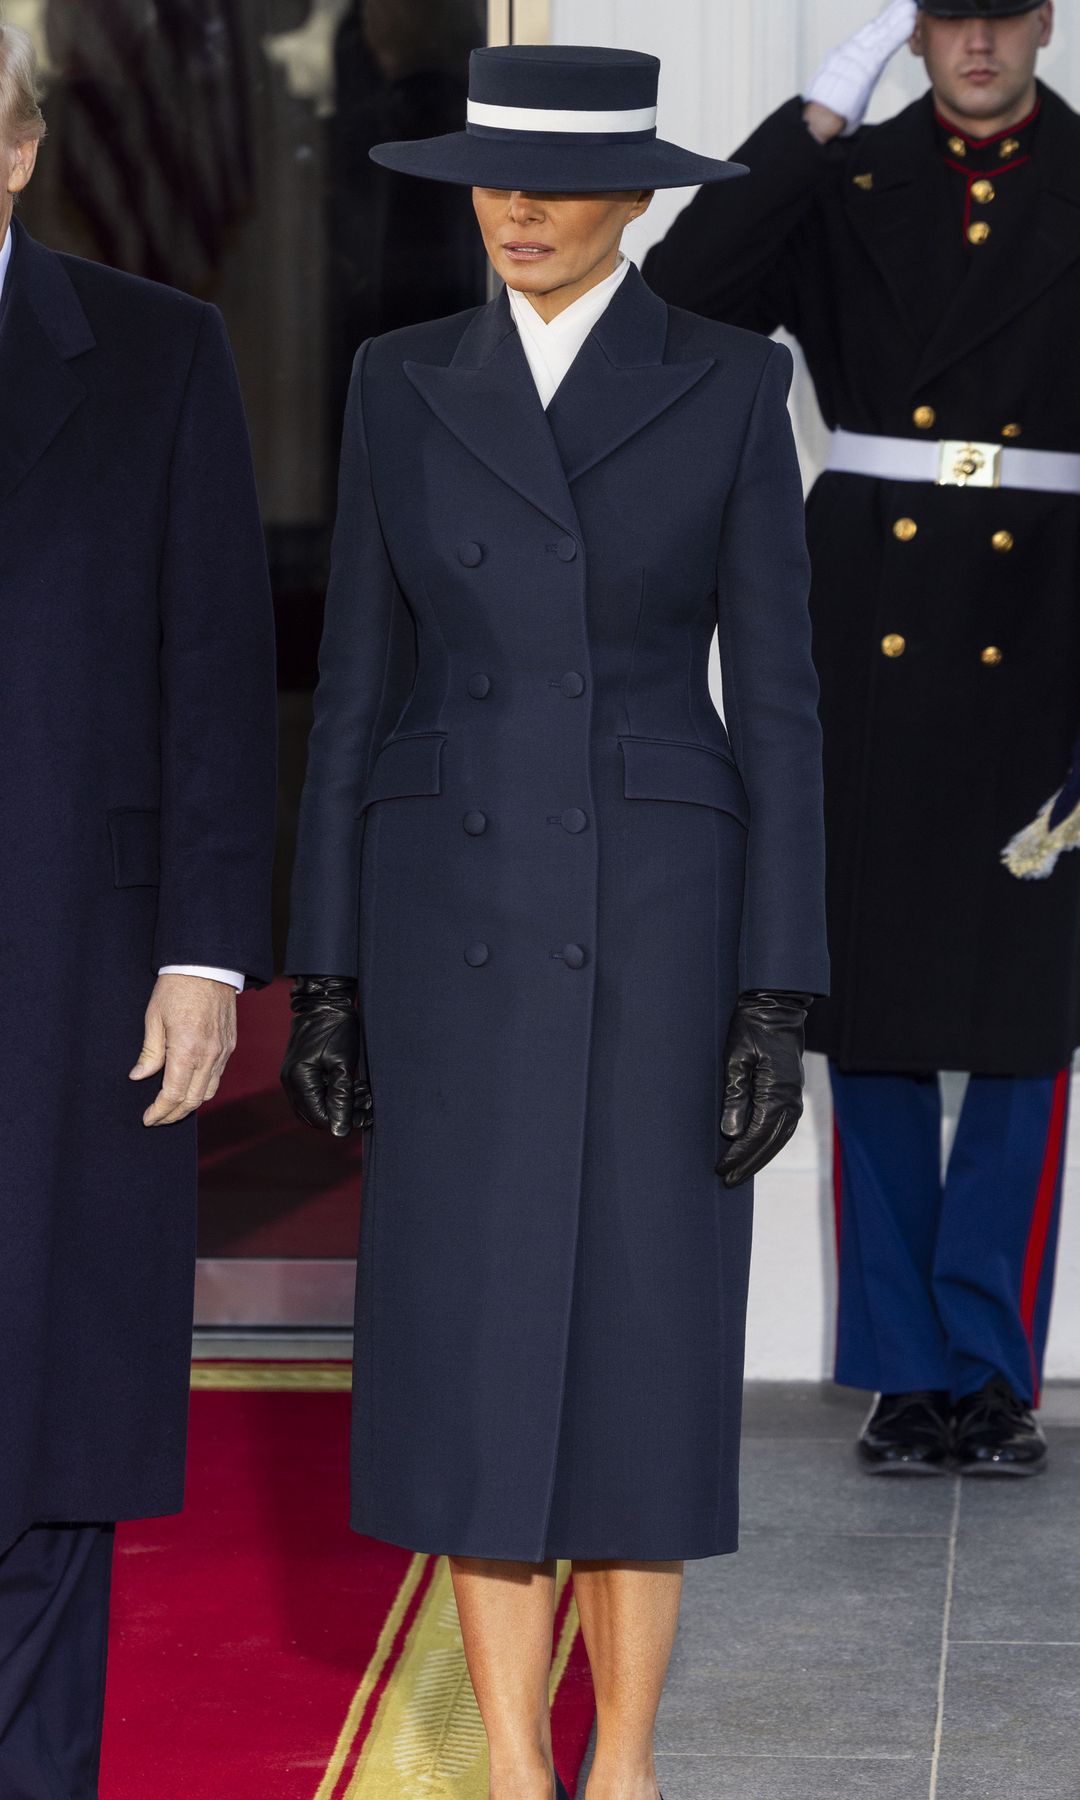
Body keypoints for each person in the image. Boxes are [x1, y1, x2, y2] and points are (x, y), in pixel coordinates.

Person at [282, 42, 827, 1800]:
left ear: (640, 196)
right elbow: (357, 691)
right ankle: (519, 1767)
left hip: (663, 919)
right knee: (474, 1348)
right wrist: (331, 970)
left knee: (642, 1347)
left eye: (554, 178)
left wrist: (777, 993)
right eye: (489, 177)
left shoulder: (732, 382)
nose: (511, 207)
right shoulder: (398, 380)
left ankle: (630, 1767)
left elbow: (789, 704)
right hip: (449, 916)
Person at [644, 0, 1080, 1478]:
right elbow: (691, 294)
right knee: (879, 1013)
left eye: (1002, 16)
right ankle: (906, 1371)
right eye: (949, 18)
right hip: (873, 613)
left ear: (1044, 23)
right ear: (915, 32)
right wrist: (815, 118)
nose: (977, 45)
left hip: (1055, 616)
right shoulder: (854, 175)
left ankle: (994, 1369)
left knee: (1024, 1019)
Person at [0, 26, 277, 1798]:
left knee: (49, 1415)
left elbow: (216, 682)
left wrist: (203, 952)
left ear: (16, 146)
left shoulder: (159, 355)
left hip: (73, 978)